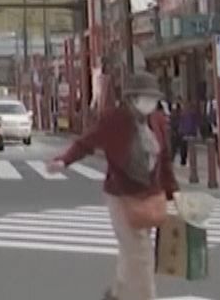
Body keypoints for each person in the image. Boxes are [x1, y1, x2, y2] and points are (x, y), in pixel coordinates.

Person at [54, 73, 177, 300]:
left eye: (154, 98)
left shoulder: (157, 120)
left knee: (131, 251)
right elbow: (87, 142)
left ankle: (118, 294)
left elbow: (165, 158)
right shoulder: (114, 120)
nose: (150, 102)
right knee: (141, 254)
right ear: (131, 98)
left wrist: (173, 193)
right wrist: (64, 160)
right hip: (121, 194)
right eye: (145, 97)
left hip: (149, 195)